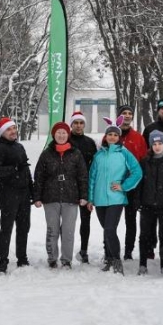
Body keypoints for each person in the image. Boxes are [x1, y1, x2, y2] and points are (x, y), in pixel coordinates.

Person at [87, 116, 142, 275]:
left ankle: (117, 261)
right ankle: (110, 259)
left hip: (116, 198)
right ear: (106, 136)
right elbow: (92, 178)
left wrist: (124, 186)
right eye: (110, 134)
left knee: (110, 229)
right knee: (107, 230)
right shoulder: (99, 155)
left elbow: (137, 172)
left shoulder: (124, 153)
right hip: (99, 199)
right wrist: (91, 199)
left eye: (115, 135)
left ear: (119, 137)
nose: (112, 137)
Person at [33, 122, 88, 269]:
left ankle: (66, 260)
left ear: (68, 135)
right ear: (54, 135)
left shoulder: (76, 153)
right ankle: (52, 258)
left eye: (64, 133)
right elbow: (39, 176)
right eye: (59, 133)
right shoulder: (46, 154)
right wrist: (37, 197)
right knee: (52, 230)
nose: (61, 136)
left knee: (68, 231)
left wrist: (84, 195)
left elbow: (82, 176)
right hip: (50, 197)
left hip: (71, 197)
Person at [0, 117, 33, 273]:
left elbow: (26, 169)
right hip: (8, 193)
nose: (13, 131)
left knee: (24, 227)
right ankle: (3, 261)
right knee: (6, 228)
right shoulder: (0, 148)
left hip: (24, 193)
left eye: (14, 128)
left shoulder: (19, 146)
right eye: (9, 129)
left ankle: (22, 258)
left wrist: (32, 190)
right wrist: (13, 169)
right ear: (2, 132)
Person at [137, 130, 163, 275]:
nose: (157, 146)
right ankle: (142, 264)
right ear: (151, 145)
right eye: (154, 144)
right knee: (144, 235)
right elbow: (140, 183)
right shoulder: (144, 162)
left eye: (160, 143)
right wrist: (139, 201)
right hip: (147, 205)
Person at [115, 105, 147, 261]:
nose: (127, 116)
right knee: (111, 221)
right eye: (124, 113)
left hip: (133, 186)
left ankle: (128, 251)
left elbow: (143, 163)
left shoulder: (138, 138)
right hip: (113, 187)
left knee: (131, 220)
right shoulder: (111, 135)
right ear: (118, 116)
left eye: (130, 114)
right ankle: (110, 250)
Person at [68, 111, 97, 264]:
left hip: (85, 186)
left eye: (81, 123)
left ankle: (84, 250)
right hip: (68, 186)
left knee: (85, 221)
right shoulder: (65, 140)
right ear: (71, 125)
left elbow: (95, 165)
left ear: (84, 125)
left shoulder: (90, 142)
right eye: (76, 123)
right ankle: (66, 251)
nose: (78, 126)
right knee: (68, 221)